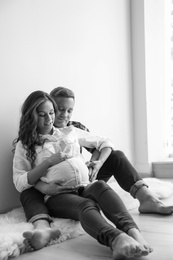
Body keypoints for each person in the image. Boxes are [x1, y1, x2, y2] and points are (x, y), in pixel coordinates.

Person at [13, 90, 153, 259]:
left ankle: (134, 232)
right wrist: (48, 163)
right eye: (42, 115)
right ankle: (116, 239)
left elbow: (104, 141)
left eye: (51, 113)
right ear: (31, 117)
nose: (49, 119)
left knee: (101, 185)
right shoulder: (25, 145)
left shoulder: (69, 131)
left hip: (84, 186)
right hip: (58, 195)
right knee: (85, 206)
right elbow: (19, 181)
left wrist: (96, 163)